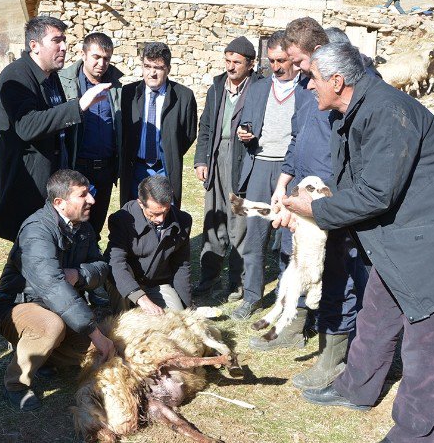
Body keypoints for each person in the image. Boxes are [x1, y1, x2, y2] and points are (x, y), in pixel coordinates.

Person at [278, 41, 434, 443]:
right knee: (376, 315)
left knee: (425, 343)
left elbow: (377, 193)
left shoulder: (386, 111)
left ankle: (415, 432)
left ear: (337, 80)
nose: (307, 85)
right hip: (403, 237)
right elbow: (360, 182)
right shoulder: (360, 108)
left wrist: (316, 210)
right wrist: (311, 207)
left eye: (312, 77)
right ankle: (356, 389)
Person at [253, 17, 369, 392]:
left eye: (300, 62)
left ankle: (333, 356)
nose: (297, 71)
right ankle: (296, 324)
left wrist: (317, 198)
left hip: (326, 200)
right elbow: (298, 138)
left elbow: (344, 157)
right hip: (297, 193)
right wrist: (284, 181)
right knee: (293, 259)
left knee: (336, 273)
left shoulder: (343, 92)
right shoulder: (308, 87)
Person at [0, 169, 114, 411]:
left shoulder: (83, 227)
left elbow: (101, 267)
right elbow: (52, 286)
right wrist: (94, 332)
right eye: (83, 195)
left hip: (60, 308)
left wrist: (79, 275)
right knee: (52, 327)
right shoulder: (36, 231)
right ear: (60, 202)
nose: (92, 200)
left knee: (92, 353)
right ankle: (16, 383)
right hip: (19, 305)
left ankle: (43, 355)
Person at [0, 16, 111, 242]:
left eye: (64, 40)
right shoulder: (16, 75)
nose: (64, 46)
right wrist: (79, 105)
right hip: (27, 187)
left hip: (52, 183)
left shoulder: (51, 77)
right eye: (56, 40)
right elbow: (27, 126)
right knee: (31, 251)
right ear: (34, 45)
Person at [231, 30, 301, 321]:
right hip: (260, 165)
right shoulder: (259, 88)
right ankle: (251, 296)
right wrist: (244, 132)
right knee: (255, 233)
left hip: (293, 170)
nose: (276, 66)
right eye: (271, 60)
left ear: (293, 58)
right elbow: (247, 120)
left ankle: (286, 299)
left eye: (282, 60)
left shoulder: (307, 89)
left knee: (290, 237)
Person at [191, 36, 262, 301]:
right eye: (228, 61)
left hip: (243, 159)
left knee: (239, 223)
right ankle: (208, 280)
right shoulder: (217, 86)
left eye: (237, 62)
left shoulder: (260, 88)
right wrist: (200, 160)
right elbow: (206, 125)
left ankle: (237, 283)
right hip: (216, 156)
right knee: (214, 218)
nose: (231, 67)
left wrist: (254, 136)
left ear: (250, 64)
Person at [59, 32, 123, 238]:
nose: (101, 64)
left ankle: (89, 268)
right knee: (72, 225)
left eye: (107, 59)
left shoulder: (116, 86)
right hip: (77, 168)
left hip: (105, 169)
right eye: (96, 57)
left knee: (95, 227)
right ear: (84, 54)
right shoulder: (64, 83)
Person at [119, 42, 197, 209]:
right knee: (133, 214)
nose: (152, 73)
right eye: (147, 66)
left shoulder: (184, 96)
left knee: (165, 214)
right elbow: (123, 130)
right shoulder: (128, 93)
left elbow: (189, 134)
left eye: (158, 67)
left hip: (165, 168)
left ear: (168, 69)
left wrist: (170, 151)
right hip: (135, 168)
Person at [107, 175, 192, 315]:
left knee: (175, 318)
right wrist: (141, 298)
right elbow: (116, 264)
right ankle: (125, 311)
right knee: (126, 323)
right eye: (155, 213)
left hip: (158, 283)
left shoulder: (183, 221)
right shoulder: (121, 220)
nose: (161, 219)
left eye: (165, 211)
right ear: (141, 203)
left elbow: (181, 266)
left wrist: (188, 309)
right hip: (127, 282)